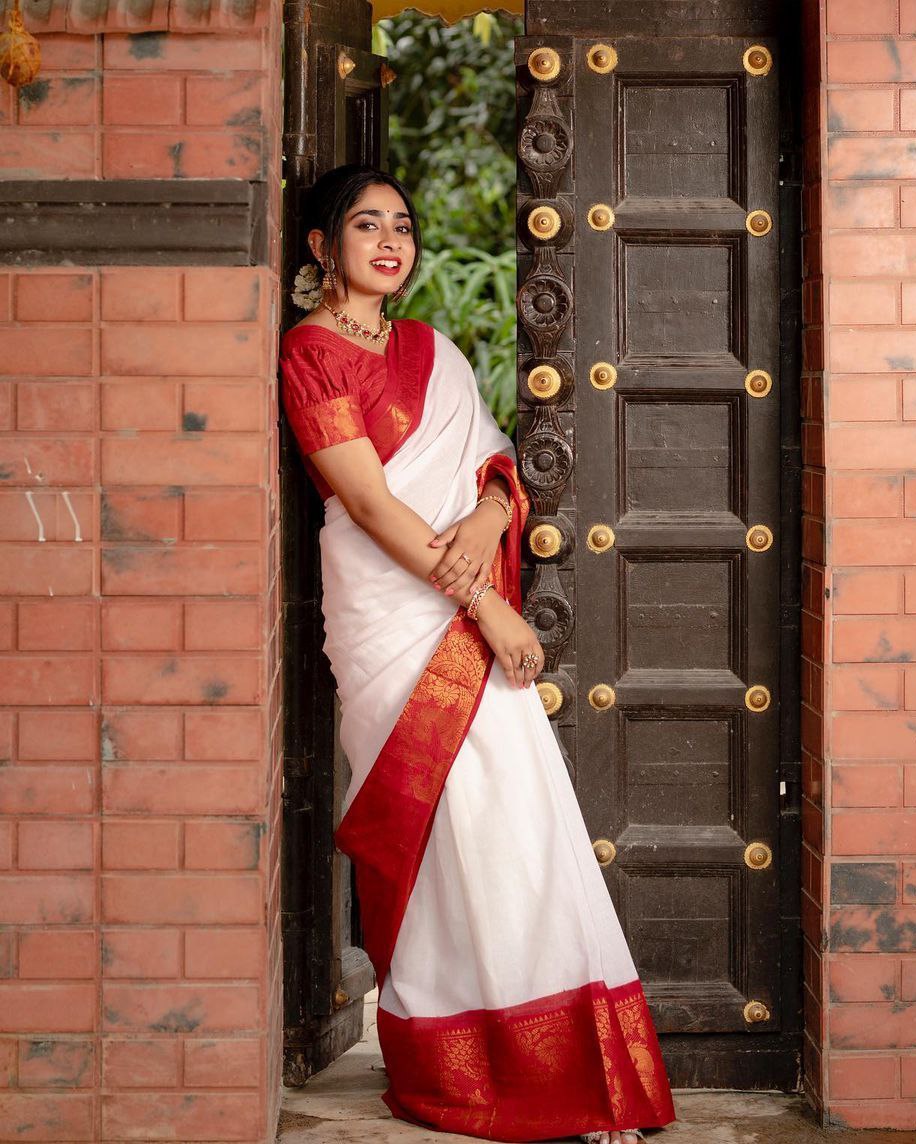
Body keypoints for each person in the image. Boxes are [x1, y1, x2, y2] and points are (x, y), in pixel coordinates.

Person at [277, 162, 676, 1144]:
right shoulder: (310, 355)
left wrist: (496, 506)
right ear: (321, 247)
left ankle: (574, 1065)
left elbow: (495, 457)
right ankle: (465, 1063)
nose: (390, 241)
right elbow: (369, 503)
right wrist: (488, 608)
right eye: (364, 225)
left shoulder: (433, 349)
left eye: (402, 225)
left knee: (520, 826)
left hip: (457, 594)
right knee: (439, 835)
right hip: (394, 618)